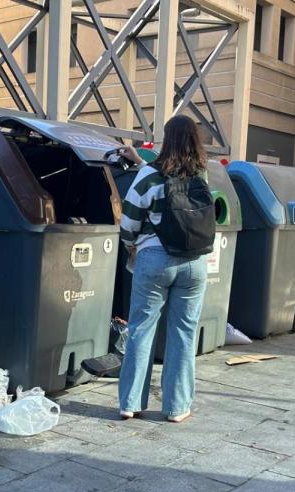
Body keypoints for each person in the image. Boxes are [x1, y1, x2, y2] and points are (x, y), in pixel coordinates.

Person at [115, 115, 212, 423]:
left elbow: (130, 218)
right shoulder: (201, 174)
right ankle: (177, 408)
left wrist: (131, 244)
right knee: (183, 334)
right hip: (194, 262)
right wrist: (138, 159)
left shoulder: (149, 175)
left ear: (166, 140)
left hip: (155, 259)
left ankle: (130, 404)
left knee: (141, 330)